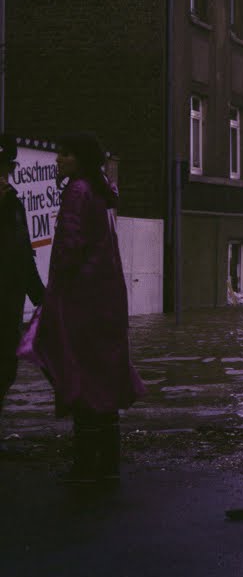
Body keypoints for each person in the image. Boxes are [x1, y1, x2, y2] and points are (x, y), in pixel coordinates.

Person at [18, 132, 144, 484]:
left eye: (66, 154)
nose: (58, 159)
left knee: (79, 373)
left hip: (82, 300)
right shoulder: (99, 193)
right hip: (107, 301)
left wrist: (54, 292)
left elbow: (68, 248)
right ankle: (108, 464)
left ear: (81, 160)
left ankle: (87, 465)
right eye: (58, 152)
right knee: (103, 377)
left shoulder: (76, 192)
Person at [0, 134, 45, 417]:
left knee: (6, 367)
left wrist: (40, 296)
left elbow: (23, 253)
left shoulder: (13, 205)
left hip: (8, 304)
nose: (3, 178)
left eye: (5, 170)